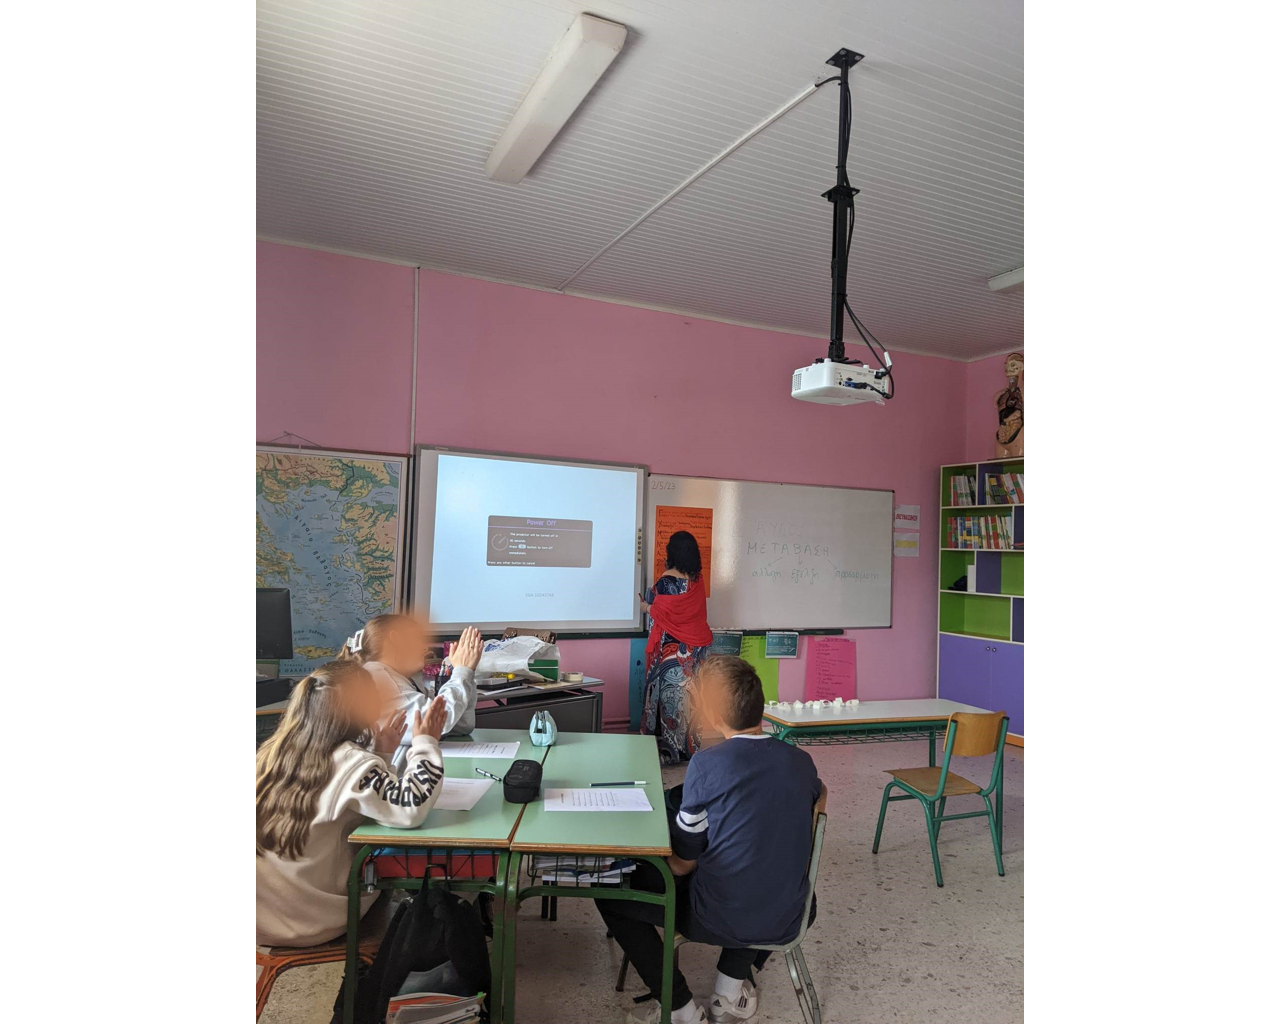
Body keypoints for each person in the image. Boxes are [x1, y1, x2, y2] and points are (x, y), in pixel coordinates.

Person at [598, 656, 823, 1024]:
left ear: (713, 715)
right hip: (792, 910)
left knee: (612, 893)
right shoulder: (802, 762)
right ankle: (729, 991)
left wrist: (660, 860)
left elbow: (684, 862)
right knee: (757, 867)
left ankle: (680, 1009)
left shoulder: (708, 764)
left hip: (720, 916)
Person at [256, 659, 449, 948]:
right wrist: (426, 744)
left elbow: (350, 792)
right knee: (394, 877)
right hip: (314, 920)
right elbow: (410, 809)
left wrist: (381, 755)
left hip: (267, 919)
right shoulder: (350, 761)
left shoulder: (271, 753)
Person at [339, 615, 481, 770]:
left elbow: (461, 725)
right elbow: (436, 722)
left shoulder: (402, 679)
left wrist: (467, 671)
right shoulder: (380, 681)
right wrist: (462, 671)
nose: (425, 648)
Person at [640, 531, 714, 764]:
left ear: (671, 552)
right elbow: (688, 611)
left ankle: (668, 753)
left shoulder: (666, 581)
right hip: (696, 649)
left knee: (668, 700)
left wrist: (645, 606)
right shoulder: (697, 580)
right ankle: (690, 748)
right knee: (692, 700)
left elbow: (659, 610)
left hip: (671, 649)